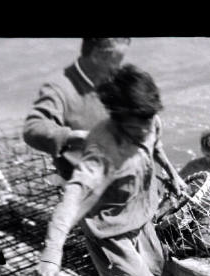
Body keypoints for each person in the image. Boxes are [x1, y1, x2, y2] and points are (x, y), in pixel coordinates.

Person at [33, 64, 186, 276]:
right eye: (136, 123)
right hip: (110, 232)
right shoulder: (102, 149)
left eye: (148, 119)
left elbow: (157, 147)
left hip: (142, 218)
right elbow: (72, 198)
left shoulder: (149, 119)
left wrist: (172, 174)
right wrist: (52, 252)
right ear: (117, 117)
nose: (145, 127)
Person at [23, 37, 131, 182]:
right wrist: (72, 137)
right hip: (83, 182)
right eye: (117, 60)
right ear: (97, 56)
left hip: (120, 172)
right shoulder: (59, 88)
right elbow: (33, 127)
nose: (119, 67)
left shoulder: (111, 79)